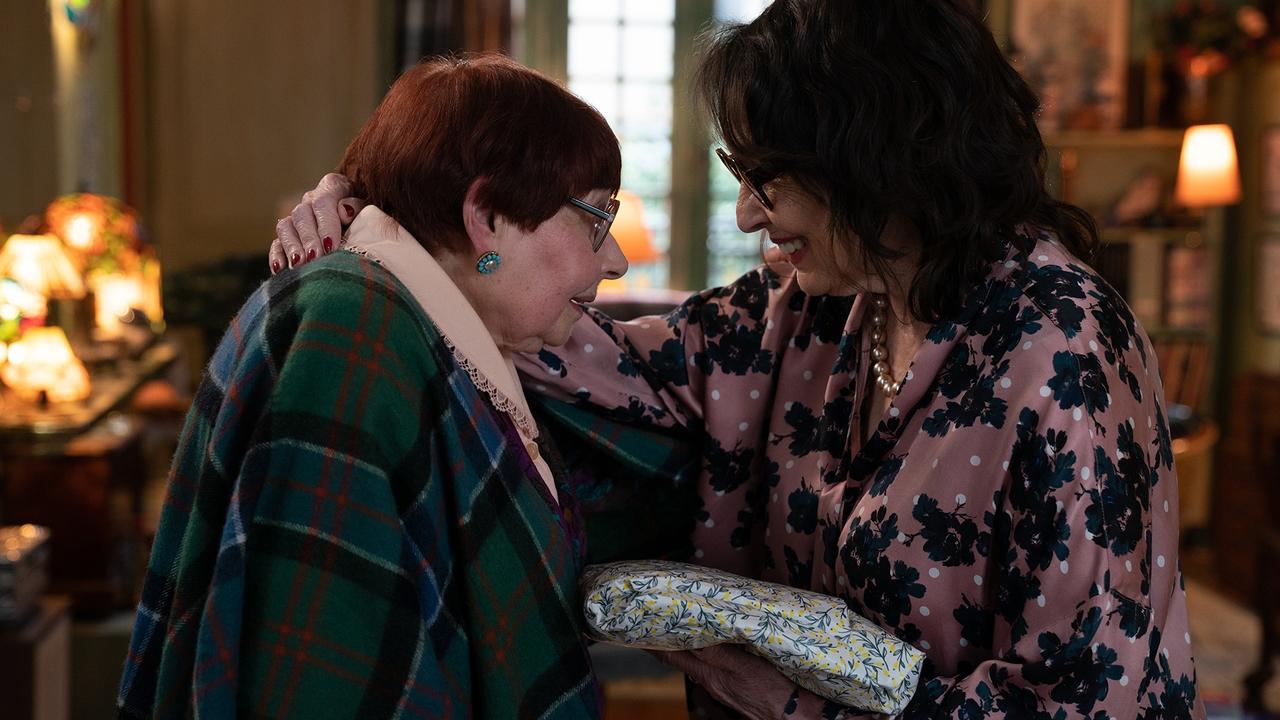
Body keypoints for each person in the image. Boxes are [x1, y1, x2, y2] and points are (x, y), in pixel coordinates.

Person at [274, 1, 1205, 717]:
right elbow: (558, 345)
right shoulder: (812, 306)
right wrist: (392, 219)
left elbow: (1090, 704)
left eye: (764, 177)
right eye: (737, 173)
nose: (747, 214)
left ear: (873, 160)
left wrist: (792, 704)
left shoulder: (1065, 351)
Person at [118, 54, 633, 719]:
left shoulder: (433, 324)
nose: (615, 259)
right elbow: (316, 675)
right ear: (486, 216)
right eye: (596, 219)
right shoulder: (352, 325)